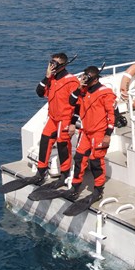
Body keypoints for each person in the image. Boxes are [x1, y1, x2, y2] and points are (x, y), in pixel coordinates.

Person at [66, 66, 116, 202]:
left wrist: (108, 135)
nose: (84, 79)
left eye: (87, 77)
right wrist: (79, 87)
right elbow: (71, 101)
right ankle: (75, 187)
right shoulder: (83, 91)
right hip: (86, 132)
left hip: (99, 133)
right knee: (79, 158)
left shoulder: (105, 93)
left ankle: (98, 190)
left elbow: (111, 115)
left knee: (96, 161)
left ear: (95, 79)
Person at [33, 52, 79, 185]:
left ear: (62, 65)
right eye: (51, 63)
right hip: (53, 118)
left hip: (65, 119)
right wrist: (47, 77)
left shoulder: (71, 81)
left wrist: (72, 123)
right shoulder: (51, 79)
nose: (51, 66)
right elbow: (39, 92)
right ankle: (41, 171)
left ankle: (65, 174)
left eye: (54, 63)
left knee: (62, 144)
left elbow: (78, 104)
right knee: (45, 140)